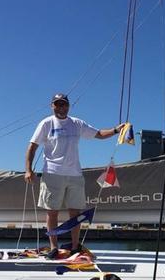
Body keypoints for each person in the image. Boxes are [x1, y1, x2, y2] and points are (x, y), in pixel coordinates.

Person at [25, 93, 123, 258]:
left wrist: (115, 130)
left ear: (68, 106)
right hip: (52, 173)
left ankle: (75, 246)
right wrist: (28, 169)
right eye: (57, 104)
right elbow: (32, 146)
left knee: (75, 213)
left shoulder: (77, 123)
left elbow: (98, 134)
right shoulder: (46, 123)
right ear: (52, 106)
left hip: (75, 174)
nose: (61, 107)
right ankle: (54, 247)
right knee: (52, 212)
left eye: (64, 104)